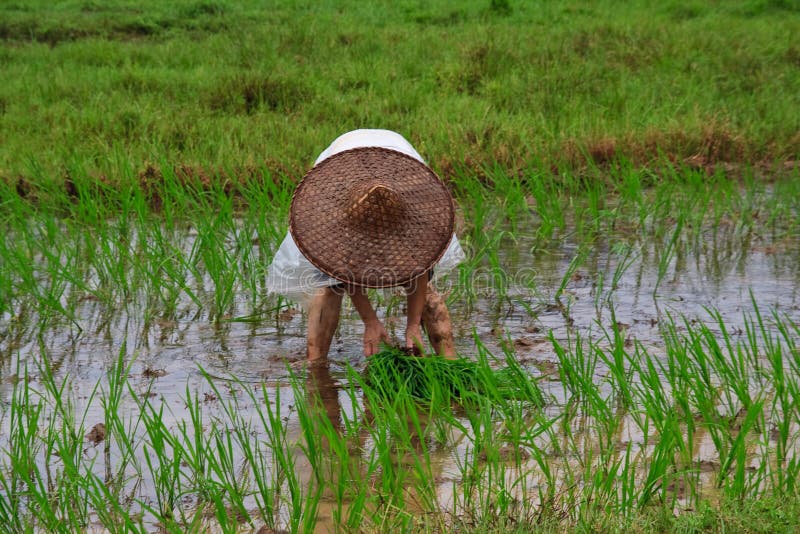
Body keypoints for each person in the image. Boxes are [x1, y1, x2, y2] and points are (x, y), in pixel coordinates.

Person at [266, 129, 464, 360]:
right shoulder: (332, 218)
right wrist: (370, 321)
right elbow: (342, 269)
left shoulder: (413, 213)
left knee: (424, 289)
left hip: (399, 165)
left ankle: (449, 362)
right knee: (330, 288)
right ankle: (316, 366)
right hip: (341, 168)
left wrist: (412, 325)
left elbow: (418, 264)